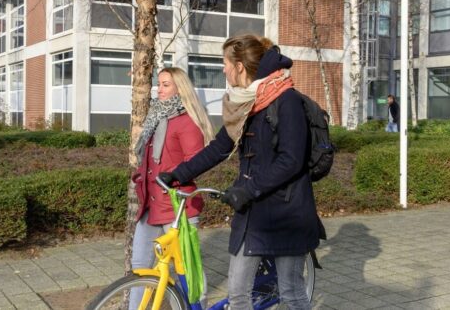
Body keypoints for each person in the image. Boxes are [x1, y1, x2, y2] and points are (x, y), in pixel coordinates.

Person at [160, 35, 324, 310]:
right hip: (253, 216)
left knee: (291, 291)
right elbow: (220, 147)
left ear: (239, 66)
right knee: (237, 295)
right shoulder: (246, 104)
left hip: (288, 214)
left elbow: (291, 160)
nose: (223, 69)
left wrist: (248, 189)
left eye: (225, 63)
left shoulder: (287, 101)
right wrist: (178, 173)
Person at [130, 67, 214, 308]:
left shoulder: (186, 121)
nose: (160, 88)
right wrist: (141, 177)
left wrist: (171, 180)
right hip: (150, 206)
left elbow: (196, 162)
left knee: (187, 270)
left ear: (180, 88)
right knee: (140, 267)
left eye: (166, 84)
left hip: (177, 207)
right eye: (159, 84)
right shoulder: (156, 117)